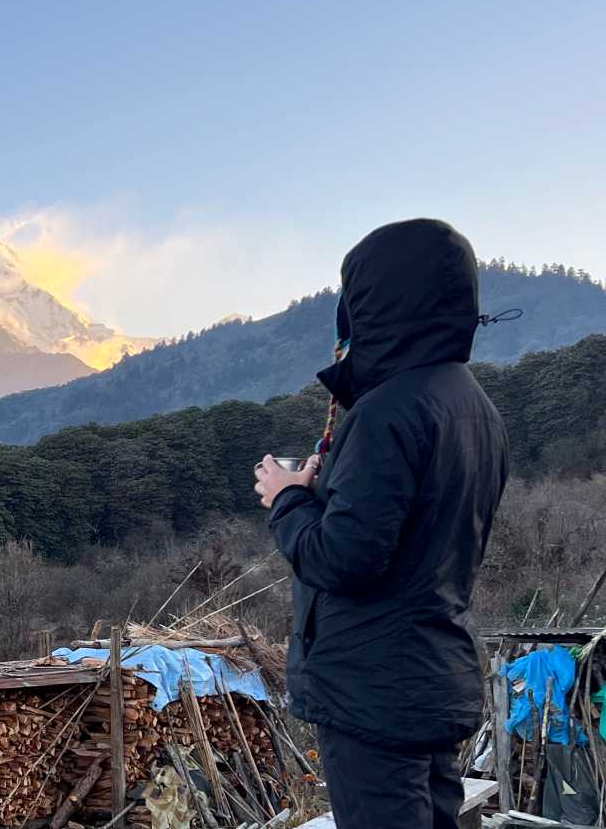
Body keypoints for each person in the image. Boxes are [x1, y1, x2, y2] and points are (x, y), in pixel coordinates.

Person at [252, 219, 509, 829]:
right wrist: (327, 492)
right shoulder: (475, 407)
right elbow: (419, 534)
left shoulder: (387, 410)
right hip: (434, 674)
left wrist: (287, 498)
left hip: (372, 691)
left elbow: (345, 559)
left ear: (377, 303)